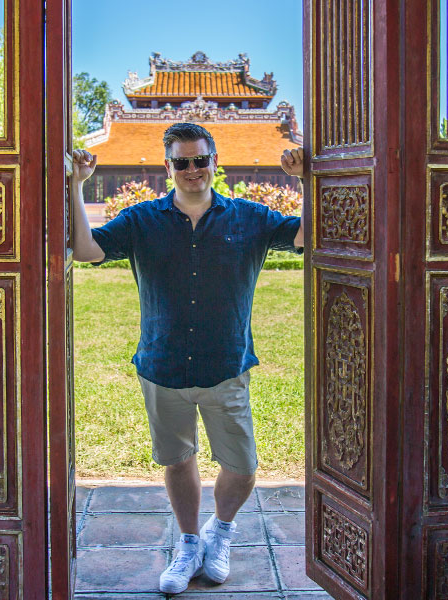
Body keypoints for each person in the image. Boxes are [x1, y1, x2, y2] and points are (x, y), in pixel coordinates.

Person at [70, 122, 305, 594]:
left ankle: (220, 531)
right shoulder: (142, 221)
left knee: (241, 467)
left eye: (200, 160)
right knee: (178, 461)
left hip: (226, 366)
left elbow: (304, 238)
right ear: (168, 167)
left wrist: (307, 182)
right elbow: (85, 250)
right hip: (163, 365)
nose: (192, 170)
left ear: (215, 161)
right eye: (182, 162)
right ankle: (190, 540)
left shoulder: (251, 218)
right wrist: (77, 186)